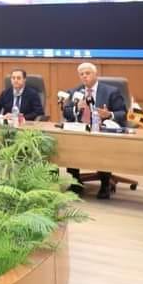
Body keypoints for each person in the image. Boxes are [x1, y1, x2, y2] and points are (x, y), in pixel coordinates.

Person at [61, 62, 127, 199]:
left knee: (101, 145)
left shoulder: (111, 91)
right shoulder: (75, 92)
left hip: (101, 130)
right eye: (81, 74)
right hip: (81, 129)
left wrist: (109, 114)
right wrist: (76, 109)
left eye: (87, 73)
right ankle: (76, 182)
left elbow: (123, 113)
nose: (84, 76)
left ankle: (105, 183)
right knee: (70, 141)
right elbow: (66, 112)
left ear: (95, 74)